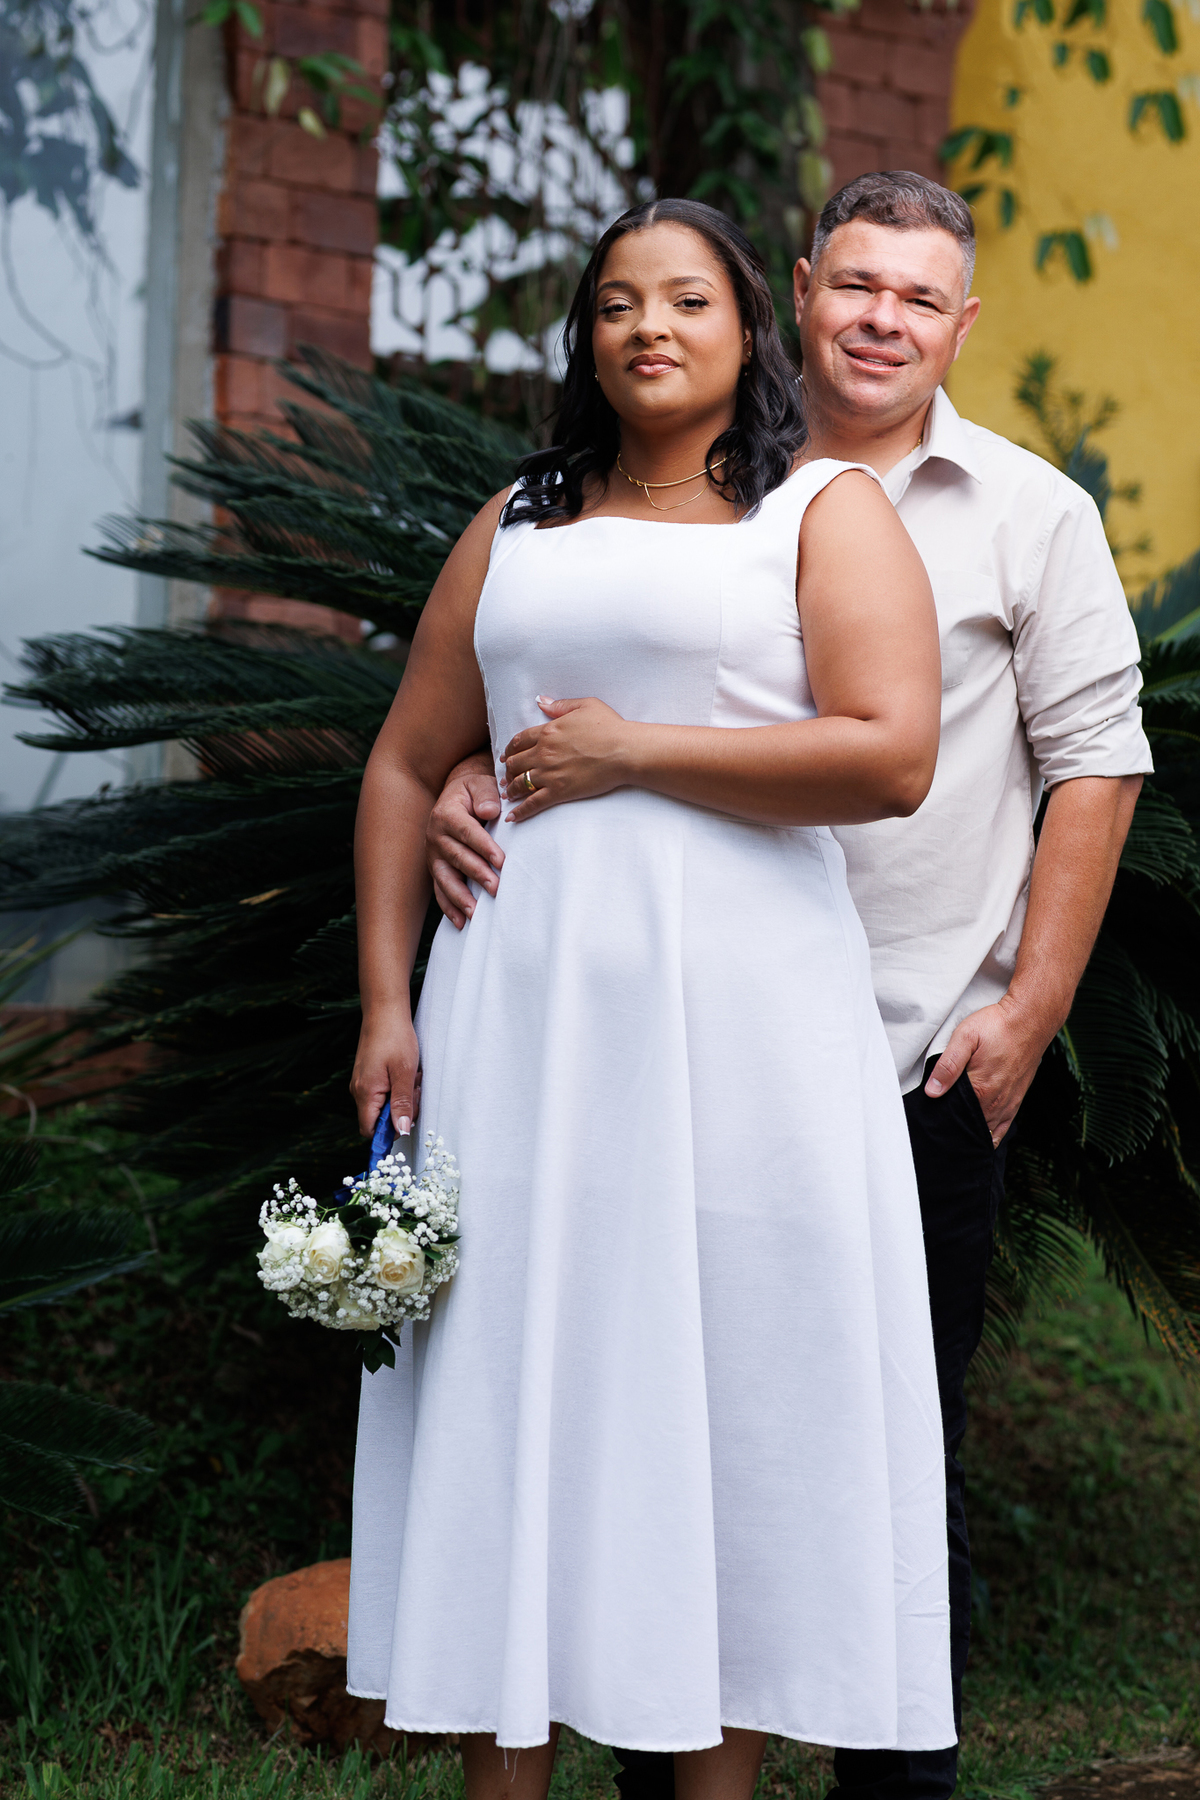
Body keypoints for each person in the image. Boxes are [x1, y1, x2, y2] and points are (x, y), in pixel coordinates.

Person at [424, 174, 1153, 1800]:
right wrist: (480, 764)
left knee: (861, 1463)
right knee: (663, 1441)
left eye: (922, 298)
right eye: (859, 285)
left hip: (909, 1053)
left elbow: (1096, 768)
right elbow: (556, 674)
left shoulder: (1029, 513)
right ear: (803, 293)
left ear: (962, 325)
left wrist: (1028, 1013)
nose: (884, 320)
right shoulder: (661, 489)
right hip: (651, 1053)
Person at [345, 195, 953, 1800]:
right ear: (586, 340)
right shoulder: (517, 521)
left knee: (730, 1376)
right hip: (521, 1019)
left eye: (686, 298)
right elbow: (406, 763)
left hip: (743, 1030)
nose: (648, 327)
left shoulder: (820, 512)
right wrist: (386, 1006)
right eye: (616, 303)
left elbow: (893, 754)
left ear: (752, 327)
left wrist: (635, 752)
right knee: (518, 1371)